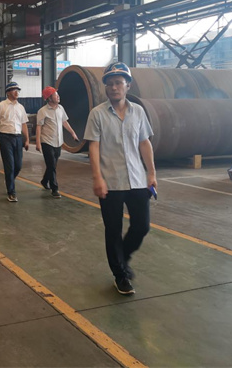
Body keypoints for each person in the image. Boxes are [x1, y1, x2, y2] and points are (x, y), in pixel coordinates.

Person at [83, 62, 157, 296]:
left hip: (137, 179)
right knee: (113, 230)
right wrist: (97, 178)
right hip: (110, 181)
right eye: (110, 84)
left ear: (128, 86)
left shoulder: (138, 112)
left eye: (118, 83)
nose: (114, 87)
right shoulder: (97, 114)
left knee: (142, 226)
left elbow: (144, 143)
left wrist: (151, 173)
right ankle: (120, 275)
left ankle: (122, 257)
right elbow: (94, 147)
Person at [36, 86, 79, 199]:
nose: (58, 96)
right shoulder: (43, 111)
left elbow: (64, 122)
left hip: (58, 142)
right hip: (47, 142)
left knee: (52, 165)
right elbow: (39, 127)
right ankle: (54, 189)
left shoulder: (61, 108)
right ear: (49, 98)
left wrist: (73, 133)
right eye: (55, 95)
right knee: (51, 165)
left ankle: (44, 180)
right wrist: (38, 142)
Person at [0, 82, 29, 202]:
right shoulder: (1, 106)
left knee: (18, 165)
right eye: (14, 90)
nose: (16, 92)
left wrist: (27, 139)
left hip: (18, 138)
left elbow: (24, 124)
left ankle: (9, 179)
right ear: (8, 92)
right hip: (5, 138)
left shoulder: (21, 107)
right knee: (9, 165)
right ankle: (11, 192)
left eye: (18, 90)